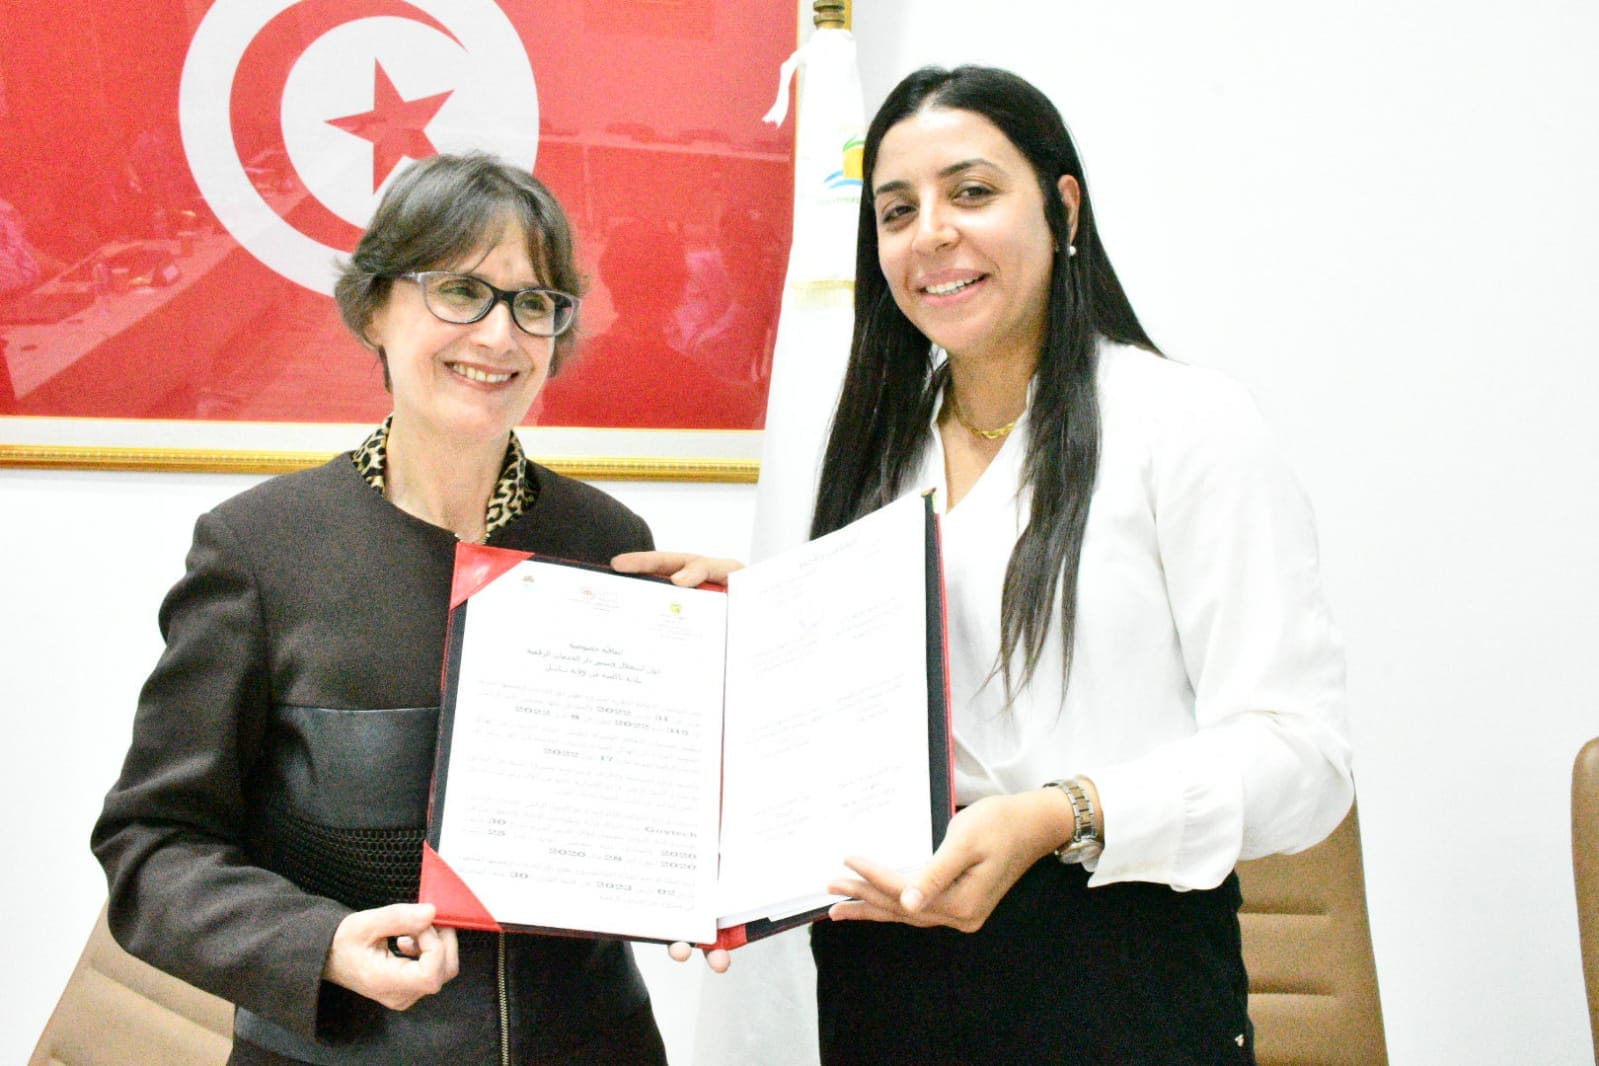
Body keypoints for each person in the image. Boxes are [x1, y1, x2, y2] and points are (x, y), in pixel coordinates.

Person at [625, 65, 1353, 1063]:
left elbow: (1302, 759)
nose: (930, 233)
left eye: (970, 192)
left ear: (1063, 210)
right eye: (896, 210)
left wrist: (1062, 815)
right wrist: (764, 629)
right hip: (885, 977)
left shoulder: (1185, 424)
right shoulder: (873, 454)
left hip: (1114, 975)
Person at [92, 152, 671, 1065]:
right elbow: (152, 844)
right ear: (373, 308)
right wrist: (315, 944)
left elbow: (655, 815)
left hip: (593, 1045)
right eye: (460, 291)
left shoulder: (607, 539)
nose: (499, 334)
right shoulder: (261, 549)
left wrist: (741, 649)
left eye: (533, 303)